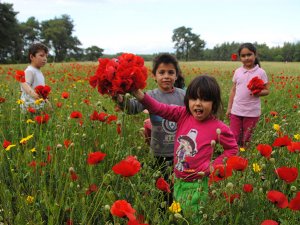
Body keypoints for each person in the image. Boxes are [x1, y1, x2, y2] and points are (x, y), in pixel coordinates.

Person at [131, 75, 238, 222]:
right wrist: (140, 95)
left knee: (194, 219)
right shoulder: (182, 115)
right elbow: (158, 108)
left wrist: (214, 166)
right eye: (194, 98)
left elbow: (232, 149)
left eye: (205, 99)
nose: (198, 104)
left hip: (198, 185)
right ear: (187, 100)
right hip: (178, 180)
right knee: (181, 216)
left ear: (214, 102)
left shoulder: (218, 127)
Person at [117, 53, 185, 206]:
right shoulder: (149, 95)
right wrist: (120, 99)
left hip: (180, 153)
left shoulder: (184, 96)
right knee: (161, 190)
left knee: (179, 188)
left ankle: (178, 212)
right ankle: (163, 214)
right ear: (154, 76)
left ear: (176, 75)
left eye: (170, 72)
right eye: (161, 72)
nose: (166, 76)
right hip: (158, 153)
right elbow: (132, 108)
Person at [226, 43, 269, 147]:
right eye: (243, 56)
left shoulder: (261, 72)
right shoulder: (238, 72)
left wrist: (258, 92)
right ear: (240, 57)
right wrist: (229, 108)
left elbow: (267, 90)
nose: (246, 58)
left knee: (247, 138)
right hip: (236, 111)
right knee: (234, 136)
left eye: (249, 55)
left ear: (255, 54)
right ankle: (233, 155)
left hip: (251, 112)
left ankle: (244, 158)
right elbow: (233, 90)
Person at [20, 42, 52, 112]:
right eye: (41, 55)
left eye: (46, 56)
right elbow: (23, 84)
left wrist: (46, 100)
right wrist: (33, 94)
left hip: (37, 105)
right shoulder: (30, 71)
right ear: (32, 57)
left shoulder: (38, 71)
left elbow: (40, 91)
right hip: (29, 106)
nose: (45, 59)